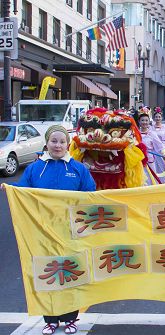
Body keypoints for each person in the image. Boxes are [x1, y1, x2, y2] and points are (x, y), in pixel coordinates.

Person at [2, 125, 96, 335]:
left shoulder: (78, 169)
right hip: (42, 231)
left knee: (71, 272)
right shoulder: (35, 168)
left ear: (68, 144)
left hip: (70, 231)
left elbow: (90, 195)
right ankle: (50, 318)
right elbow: (24, 190)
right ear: (46, 143)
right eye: (54, 141)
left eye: (62, 141)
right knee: (48, 272)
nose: (58, 145)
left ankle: (71, 317)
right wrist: (11, 188)